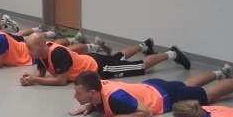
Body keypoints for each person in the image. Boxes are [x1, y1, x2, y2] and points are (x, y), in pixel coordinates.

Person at [68, 65, 233, 117]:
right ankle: (221, 72)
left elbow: (146, 113)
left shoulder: (115, 97)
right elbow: (100, 99)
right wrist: (90, 105)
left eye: (78, 92)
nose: (75, 95)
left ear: (92, 92)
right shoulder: (97, 89)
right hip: (152, 86)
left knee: (208, 95)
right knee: (188, 85)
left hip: (165, 96)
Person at [20, 34, 190, 86]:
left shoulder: (57, 53)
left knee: (139, 66)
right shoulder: (42, 53)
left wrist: (35, 80)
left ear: (41, 45)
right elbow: (42, 70)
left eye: (30, 48)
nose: (28, 52)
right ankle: (144, 46)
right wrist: (32, 77)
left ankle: (172, 54)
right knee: (118, 57)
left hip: (99, 68)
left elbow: (61, 81)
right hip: (91, 59)